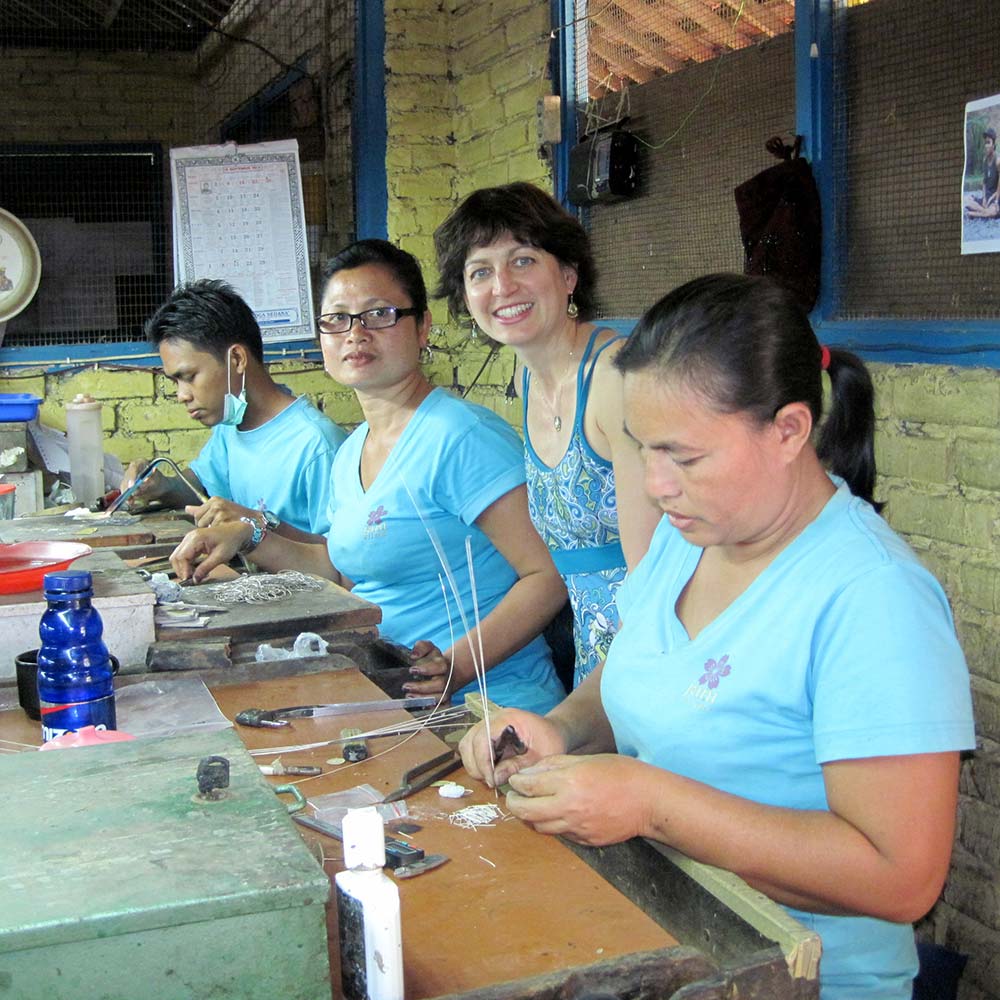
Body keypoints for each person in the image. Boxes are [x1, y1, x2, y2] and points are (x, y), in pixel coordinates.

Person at [459, 274, 975, 1000]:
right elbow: (639, 663)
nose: (656, 484)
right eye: (641, 451)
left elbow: (901, 879)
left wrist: (652, 802)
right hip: (671, 942)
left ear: (790, 431)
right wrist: (560, 730)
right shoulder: (690, 535)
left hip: (803, 979)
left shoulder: (873, 598)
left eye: (685, 456)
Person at [170, 241, 567, 714]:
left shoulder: (460, 438)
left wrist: (455, 666)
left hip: (490, 708)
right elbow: (339, 572)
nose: (354, 334)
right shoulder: (353, 449)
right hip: (394, 694)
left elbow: (547, 575)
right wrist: (247, 536)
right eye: (337, 319)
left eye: (378, 314)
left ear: (422, 328)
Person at [434, 182, 660, 689]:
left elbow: (655, 579)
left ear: (568, 274)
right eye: (480, 272)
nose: (503, 287)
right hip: (591, 655)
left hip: (648, 655)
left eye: (523, 261)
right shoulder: (528, 378)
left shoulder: (613, 378)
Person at [120, 278, 347, 541]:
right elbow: (203, 484)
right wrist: (162, 486)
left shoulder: (317, 446)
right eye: (175, 381)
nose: (181, 395)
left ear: (237, 359)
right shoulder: (230, 426)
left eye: (189, 376)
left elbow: (342, 561)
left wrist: (255, 526)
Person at [964, 126, 999, 218]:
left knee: (993, 211)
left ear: (993, 145)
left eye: (988, 143)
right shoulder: (985, 160)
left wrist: (996, 196)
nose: (986, 146)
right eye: (985, 143)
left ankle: (977, 213)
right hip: (987, 197)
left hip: (995, 198)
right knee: (966, 200)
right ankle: (984, 213)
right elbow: (984, 182)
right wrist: (983, 198)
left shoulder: (998, 160)